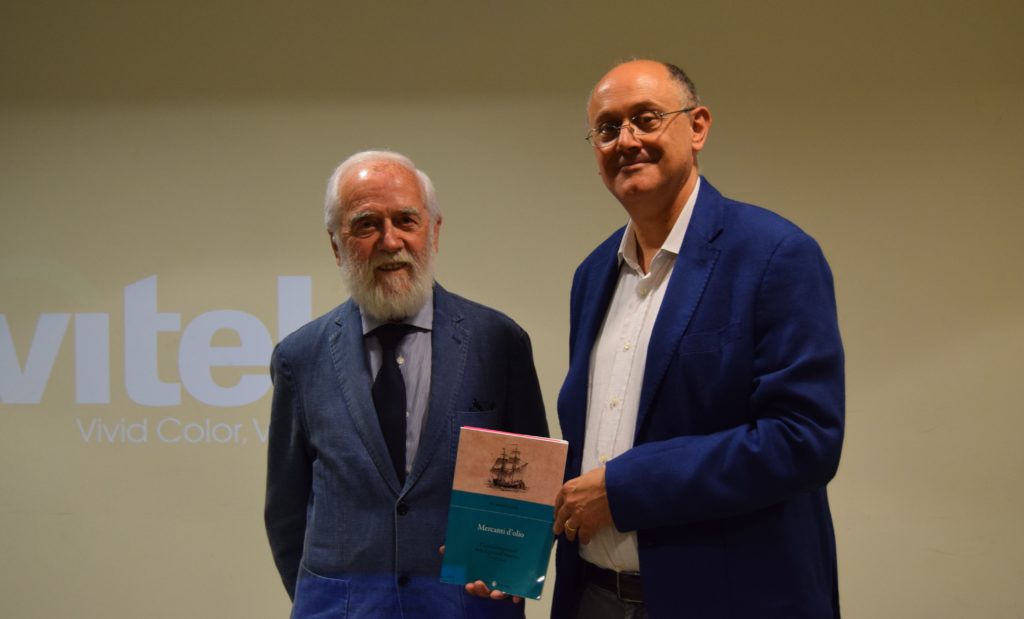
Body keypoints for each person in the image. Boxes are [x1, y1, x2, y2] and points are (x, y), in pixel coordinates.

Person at [550, 60, 845, 618]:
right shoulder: (592, 275)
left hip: (730, 600)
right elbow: (591, 450)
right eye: (607, 129)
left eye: (646, 119)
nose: (626, 141)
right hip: (592, 597)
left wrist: (624, 489)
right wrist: (505, 539)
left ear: (698, 126)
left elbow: (803, 440)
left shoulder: (775, 255)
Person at [264, 150, 548, 618]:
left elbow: (531, 485)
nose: (390, 240)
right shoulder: (299, 357)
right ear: (336, 244)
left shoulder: (499, 342)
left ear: (433, 231)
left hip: (466, 608)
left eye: (406, 220)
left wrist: (510, 566)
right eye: (366, 224)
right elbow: (286, 512)